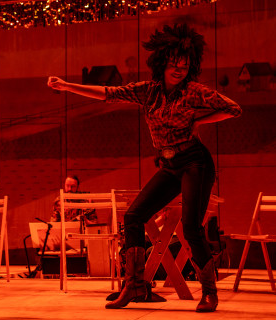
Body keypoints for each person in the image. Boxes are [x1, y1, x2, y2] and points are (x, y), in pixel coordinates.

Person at [48, 23, 241, 312]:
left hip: (195, 162)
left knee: (190, 227)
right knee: (134, 215)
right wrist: (66, 86)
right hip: (169, 163)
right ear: (162, 63)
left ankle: (209, 292)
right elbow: (108, 93)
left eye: (185, 66)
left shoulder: (193, 92)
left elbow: (233, 108)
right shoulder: (147, 92)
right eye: (174, 64)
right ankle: (135, 285)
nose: (179, 70)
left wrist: (199, 121)